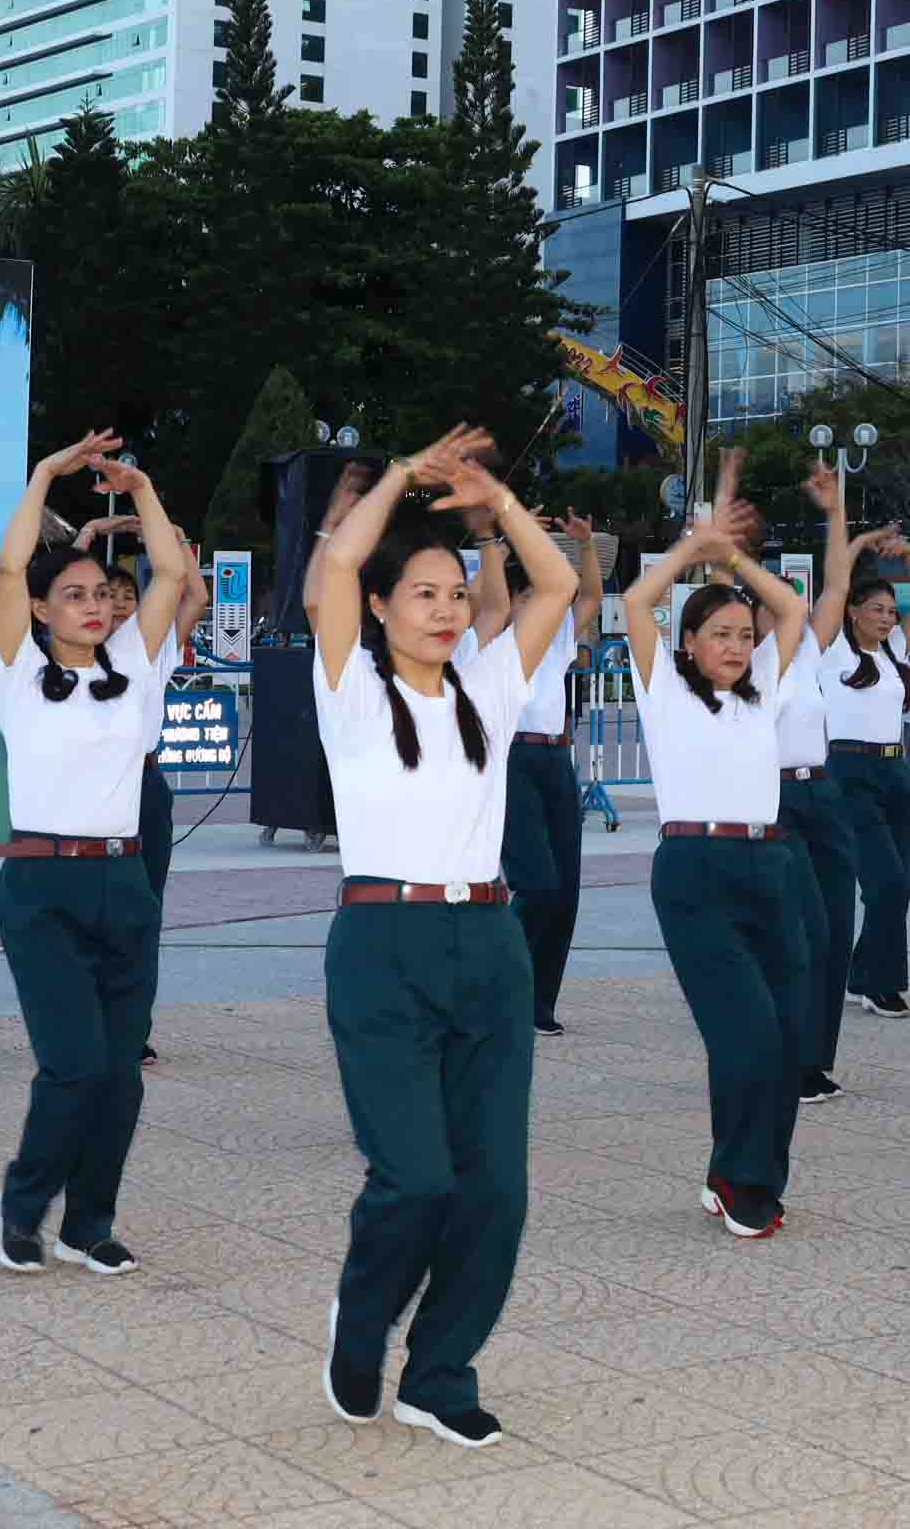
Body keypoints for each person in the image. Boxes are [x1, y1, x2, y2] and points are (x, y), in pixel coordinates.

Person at [310, 426, 578, 1449]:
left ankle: (441, 1369)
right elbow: (339, 557)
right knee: (415, 1175)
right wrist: (403, 476)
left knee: (496, 1188)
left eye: (456, 593)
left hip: (489, 944)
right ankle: (365, 1309)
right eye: (423, 591)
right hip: (384, 944)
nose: (446, 608)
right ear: (381, 608)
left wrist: (492, 502)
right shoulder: (351, 691)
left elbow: (551, 586)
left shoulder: (489, 684)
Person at [0, 434, 188, 1275]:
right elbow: (5, 572)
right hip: (40, 883)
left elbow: (171, 576)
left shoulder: (133, 664)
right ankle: (23, 1204)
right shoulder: (16, 671)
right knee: (72, 1066)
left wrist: (142, 489)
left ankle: (89, 1222)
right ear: (40, 610)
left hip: (124, 876)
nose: (94, 606)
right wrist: (43, 476)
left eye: (101, 593)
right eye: (72, 596)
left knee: (120, 1075)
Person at [620, 455, 816, 1237]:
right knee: (746, 1036)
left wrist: (734, 562)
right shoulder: (662, 692)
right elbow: (639, 601)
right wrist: (692, 549)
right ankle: (744, 1183)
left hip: (772, 867)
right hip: (695, 873)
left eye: (742, 634)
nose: (737, 645)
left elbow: (793, 616)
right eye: (720, 635)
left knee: (787, 1038)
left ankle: (741, 1170)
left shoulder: (764, 691)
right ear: (690, 643)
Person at [460, 509, 604, 1036]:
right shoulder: (492, 641)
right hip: (512, 759)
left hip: (556, 758)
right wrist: (495, 537)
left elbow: (587, 598)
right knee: (537, 885)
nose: (542, 604)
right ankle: (495, 988)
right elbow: (482, 597)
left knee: (565, 889)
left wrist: (585, 546)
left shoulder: (557, 635)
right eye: (530, 596)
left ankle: (538, 1003)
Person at [78, 511, 210, 1065]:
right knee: (85, 912)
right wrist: (88, 538)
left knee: (143, 911)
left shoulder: (149, 653)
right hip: (86, 789)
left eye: (128, 596)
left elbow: (193, 595)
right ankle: (81, 1020)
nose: (120, 606)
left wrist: (177, 536)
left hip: (145, 787)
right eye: (109, 597)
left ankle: (132, 1028)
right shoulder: (68, 656)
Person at [825, 518, 910, 1017]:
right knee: (885, 882)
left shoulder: (893, 649)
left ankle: (863, 972)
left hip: (895, 773)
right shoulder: (830, 650)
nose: (889, 618)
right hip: (849, 772)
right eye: (877, 609)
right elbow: (833, 584)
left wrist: (909, 555)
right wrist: (859, 546)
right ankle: (878, 982)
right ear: (852, 611)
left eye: (892, 611)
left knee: (901, 881)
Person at [784, 463, 864, 1102]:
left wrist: (835, 512)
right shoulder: (740, 667)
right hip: (773, 802)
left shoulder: (808, 650)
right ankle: (784, 1053)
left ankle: (814, 1061)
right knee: (798, 930)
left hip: (823, 792)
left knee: (837, 923)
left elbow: (837, 582)